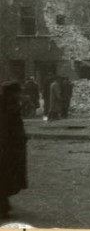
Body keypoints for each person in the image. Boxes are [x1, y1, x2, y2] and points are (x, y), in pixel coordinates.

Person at [0, 81, 28, 219]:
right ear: (13, 93)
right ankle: (2, 208)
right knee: (5, 176)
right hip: (8, 147)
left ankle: (4, 204)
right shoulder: (10, 107)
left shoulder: (9, 105)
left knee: (6, 176)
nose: (20, 94)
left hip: (10, 146)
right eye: (19, 92)